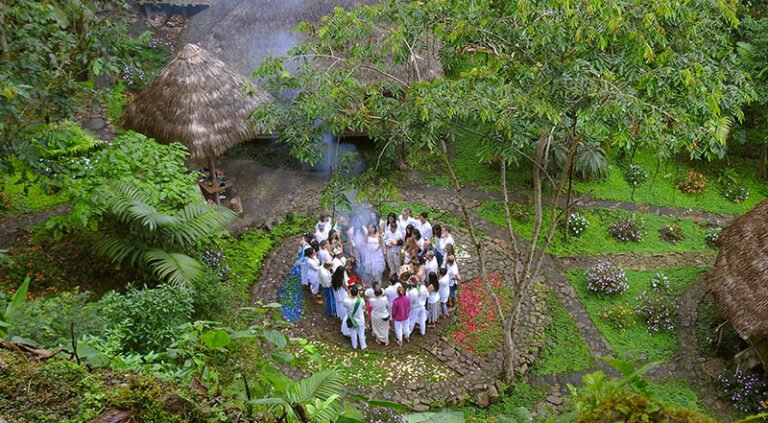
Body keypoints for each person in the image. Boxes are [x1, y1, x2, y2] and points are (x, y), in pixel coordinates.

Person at [343, 285, 366, 350]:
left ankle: (354, 346)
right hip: (360, 319)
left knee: (353, 333)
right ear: (357, 293)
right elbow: (363, 305)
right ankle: (363, 346)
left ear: (350, 292)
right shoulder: (361, 300)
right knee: (361, 333)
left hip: (351, 319)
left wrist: (349, 296)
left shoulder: (346, 301)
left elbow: (344, 306)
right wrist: (358, 296)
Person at [332, 267, 350, 336]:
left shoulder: (333, 277)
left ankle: (340, 315)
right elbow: (345, 287)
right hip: (342, 293)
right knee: (343, 306)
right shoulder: (341, 280)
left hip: (337, 293)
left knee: (339, 305)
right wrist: (348, 291)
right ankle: (344, 317)